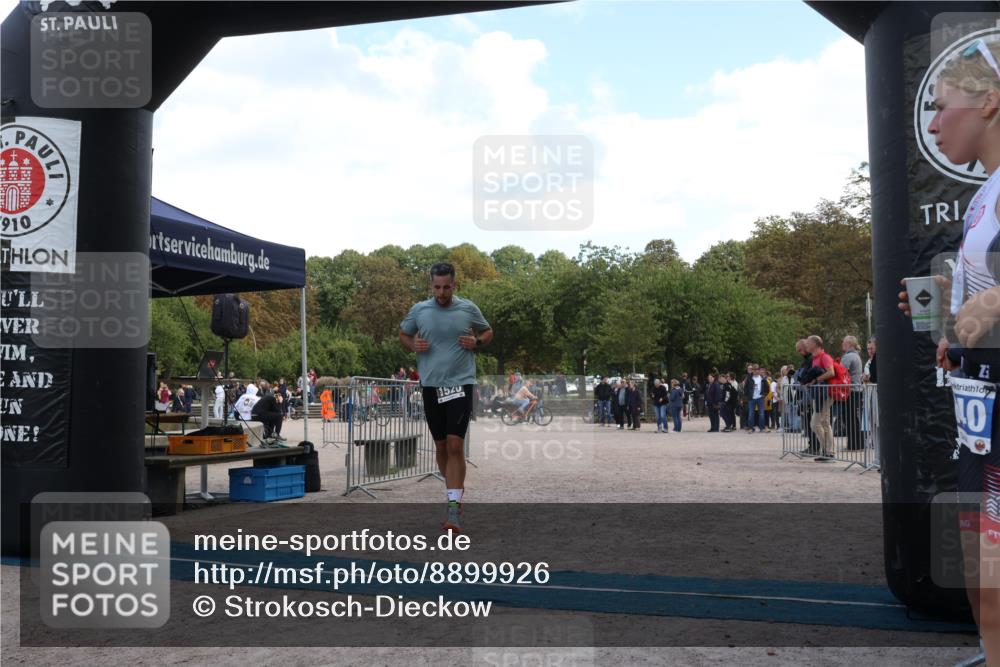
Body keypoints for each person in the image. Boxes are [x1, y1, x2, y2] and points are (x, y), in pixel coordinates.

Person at [897, 43, 1000, 662]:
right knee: (981, 561)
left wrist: (994, 301)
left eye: (941, 106)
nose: (933, 125)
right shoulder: (985, 194)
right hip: (979, 412)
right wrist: (951, 318)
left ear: (990, 101)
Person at [400, 262, 492, 533]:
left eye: (447, 287)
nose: (441, 293)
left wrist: (477, 342)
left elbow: (487, 331)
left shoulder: (468, 309)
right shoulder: (420, 310)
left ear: (455, 285)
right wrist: (412, 344)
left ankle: (453, 509)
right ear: (431, 285)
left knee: (454, 446)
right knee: (440, 448)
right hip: (431, 386)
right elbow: (404, 335)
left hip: (460, 384)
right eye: (437, 287)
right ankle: (455, 491)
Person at [803, 336, 835, 460]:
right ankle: (827, 452)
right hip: (819, 394)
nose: (806, 345)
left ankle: (828, 451)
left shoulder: (824, 357)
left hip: (825, 394)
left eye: (808, 342)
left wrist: (815, 380)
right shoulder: (815, 358)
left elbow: (831, 372)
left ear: (815, 344)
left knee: (816, 423)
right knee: (824, 422)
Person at [840, 336, 865, 451]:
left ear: (849, 344)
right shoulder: (856, 356)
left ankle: (853, 445)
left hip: (850, 391)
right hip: (856, 390)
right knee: (853, 418)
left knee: (849, 418)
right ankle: (857, 444)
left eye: (844, 342)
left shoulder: (848, 356)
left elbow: (841, 372)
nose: (842, 344)